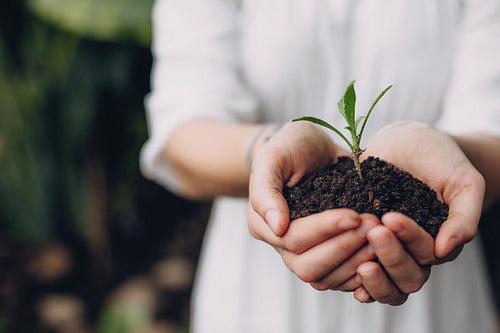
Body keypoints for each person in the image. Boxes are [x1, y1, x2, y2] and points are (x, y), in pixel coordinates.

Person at [140, 0, 500, 332]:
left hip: (433, 290)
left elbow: (491, 127)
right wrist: (269, 152)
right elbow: (183, 135)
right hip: (260, 300)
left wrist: (452, 154)